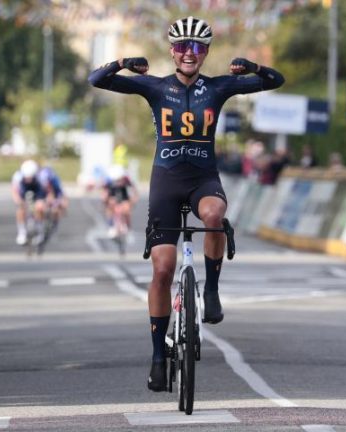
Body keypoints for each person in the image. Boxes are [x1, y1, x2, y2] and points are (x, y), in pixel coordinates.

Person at [88, 15, 284, 392]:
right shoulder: (155, 87)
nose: (189, 53)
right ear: (172, 51)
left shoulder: (220, 86)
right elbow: (96, 80)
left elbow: (276, 81)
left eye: (196, 47)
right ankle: (159, 357)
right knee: (163, 269)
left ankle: (210, 290)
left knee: (214, 216)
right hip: (166, 181)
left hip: (202, 178)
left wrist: (254, 67)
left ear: (206, 52)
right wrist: (123, 64)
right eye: (181, 47)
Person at [103, 165, 138, 238]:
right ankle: (111, 226)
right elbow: (104, 193)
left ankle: (128, 227)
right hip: (112, 193)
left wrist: (132, 201)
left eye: (120, 180)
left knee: (126, 209)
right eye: (117, 181)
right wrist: (106, 202)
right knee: (110, 205)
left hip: (123, 193)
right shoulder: (108, 179)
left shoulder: (126, 178)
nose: (119, 182)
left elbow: (134, 190)